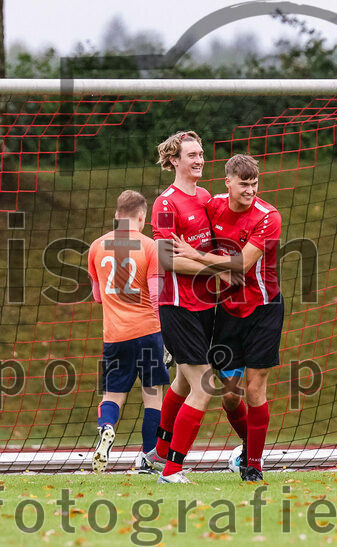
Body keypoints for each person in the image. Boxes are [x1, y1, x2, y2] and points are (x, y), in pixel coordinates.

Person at [171, 154, 283, 482]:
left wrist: (195, 255)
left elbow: (241, 265)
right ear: (228, 183)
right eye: (244, 184)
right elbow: (188, 221)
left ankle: (254, 464)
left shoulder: (268, 216)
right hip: (230, 310)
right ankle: (250, 447)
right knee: (230, 397)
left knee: (255, 387)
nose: (250, 191)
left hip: (264, 309)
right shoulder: (213, 205)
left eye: (254, 184)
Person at [146, 130, 233, 484]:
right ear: (173, 161)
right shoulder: (164, 204)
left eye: (201, 153)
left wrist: (213, 262)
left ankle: (158, 453)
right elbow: (168, 260)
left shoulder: (206, 196)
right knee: (205, 386)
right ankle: (172, 469)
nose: (199, 160)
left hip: (204, 305)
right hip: (177, 306)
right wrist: (218, 269)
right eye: (191, 155)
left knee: (182, 382)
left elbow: (207, 251)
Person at [87, 190, 170, 474]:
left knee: (112, 395)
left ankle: (106, 428)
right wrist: (166, 339)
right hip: (148, 331)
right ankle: (148, 461)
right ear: (142, 217)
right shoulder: (151, 246)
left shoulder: (96, 247)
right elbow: (158, 299)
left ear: (116, 215)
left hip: (115, 335)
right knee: (152, 395)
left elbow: (98, 296)